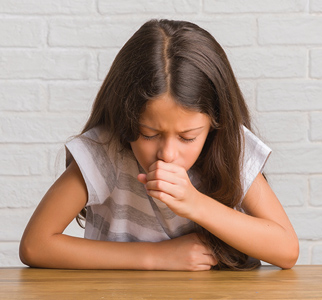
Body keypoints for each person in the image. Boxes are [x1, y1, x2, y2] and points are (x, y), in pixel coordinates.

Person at [19, 19, 299, 271]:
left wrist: (195, 203)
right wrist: (156, 256)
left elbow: (286, 251)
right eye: (148, 134)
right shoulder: (106, 152)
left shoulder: (228, 148)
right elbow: (35, 245)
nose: (167, 153)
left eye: (188, 137)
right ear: (125, 117)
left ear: (215, 125)